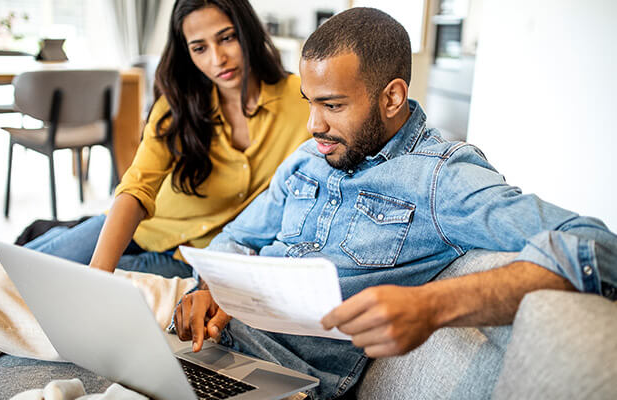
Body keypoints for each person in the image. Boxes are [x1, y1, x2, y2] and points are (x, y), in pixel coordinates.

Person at [172, 7, 617, 399]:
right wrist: (207, 289)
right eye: (310, 103)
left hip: (285, 381)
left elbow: (598, 245)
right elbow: (236, 238)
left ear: (392, 97)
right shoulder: (309, 158)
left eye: (332, 105)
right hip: (212, 349)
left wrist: (432, 305)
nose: (313, 125)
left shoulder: (441, 178)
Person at [23, 0, 310, 278]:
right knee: (21, 270)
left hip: (197, 257)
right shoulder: (177, 106)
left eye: (227, 38)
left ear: (248, 31)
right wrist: (99, 274)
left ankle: (59, 234)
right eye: (199, 48)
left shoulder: (303, 100)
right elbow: (136, 187)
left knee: (64, 281)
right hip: (141, 227)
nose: (217, 59)